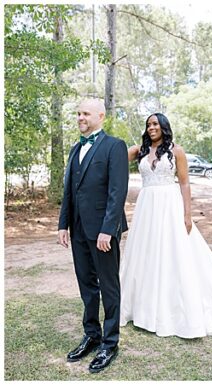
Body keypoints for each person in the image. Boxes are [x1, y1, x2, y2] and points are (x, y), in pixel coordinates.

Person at [119, 113, 212, 340]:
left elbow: (184, 182)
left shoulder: (176, 151)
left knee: (172, 252)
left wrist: (187, 214)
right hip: (146, 207)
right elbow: (116, 158)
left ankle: (169, 306)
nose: (151, 128)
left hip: (168, 206)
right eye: (148, 125)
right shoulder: (139, 151)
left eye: (155, 124)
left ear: (164, 126)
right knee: (146, 252)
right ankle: (141, 306)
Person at [58, 98, 129, 373]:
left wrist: (107, 230)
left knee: (108, 286)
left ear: (101, 116)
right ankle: (92, 334)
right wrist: (63, 225)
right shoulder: (75, 148)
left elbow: (117, 191)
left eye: (85, 113)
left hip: (102, 232)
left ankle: (110, 343)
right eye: (78, 113)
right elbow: (68, 192)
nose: (80, 117)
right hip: (77, 229)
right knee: (86, 285)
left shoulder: (115, 146)